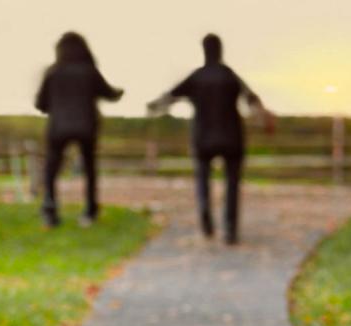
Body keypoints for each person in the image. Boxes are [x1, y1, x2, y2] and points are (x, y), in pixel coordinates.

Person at [147, 34, 274, 245]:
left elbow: (169, 97)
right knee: (232, 184)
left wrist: (153, 107)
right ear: (220, 50)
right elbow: (251, 98)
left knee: (202, 180)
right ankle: (231, 231)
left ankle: (206, 222)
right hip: (232, 136)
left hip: (203, 137)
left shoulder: (197, 76)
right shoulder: (229, 74)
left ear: (204, 50)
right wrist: (264, 119)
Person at [35, 32, 123, 228]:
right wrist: (121, 91)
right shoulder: (89, 70)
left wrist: (56, 106)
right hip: (86, 126)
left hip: (58, 127)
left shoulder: (53, 72)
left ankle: (50, 208)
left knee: (52, 168)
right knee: (89, 168)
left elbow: (40, 103)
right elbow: (109, 93)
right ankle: (90, 210)